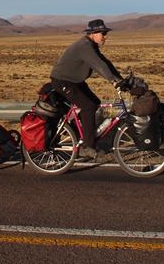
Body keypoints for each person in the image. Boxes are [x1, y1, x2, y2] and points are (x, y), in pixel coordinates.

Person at [50, 19, 123, 159]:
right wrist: (113, 81)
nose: (106, 36)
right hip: (63, 81)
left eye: (106, 33)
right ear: (93, 34)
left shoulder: (91, 45)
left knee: (94, 102)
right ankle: (87, 147)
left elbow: (105, 63)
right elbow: (99, 65)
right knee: (88, 106)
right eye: (103, 33)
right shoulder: (85, 46)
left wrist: (121, 80)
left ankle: (78, 133)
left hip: (74, 81)